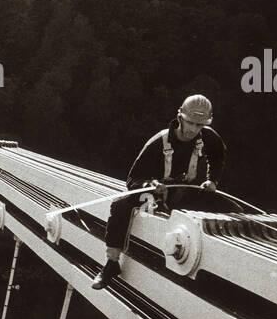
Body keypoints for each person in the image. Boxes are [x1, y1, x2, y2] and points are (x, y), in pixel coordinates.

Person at [92, 93, 226, 290]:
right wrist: (150, 184)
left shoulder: (207, 137)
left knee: (226, 207)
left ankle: (214, 273)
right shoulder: (159, 142)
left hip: (185, 191)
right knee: (121, 205)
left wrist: (211, 180)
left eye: (199, 125)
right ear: (180, 118)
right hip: (155, 193)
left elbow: (218, 156)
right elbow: (132, 180)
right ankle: (111, 264)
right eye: (190, 123)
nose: (194, 130)